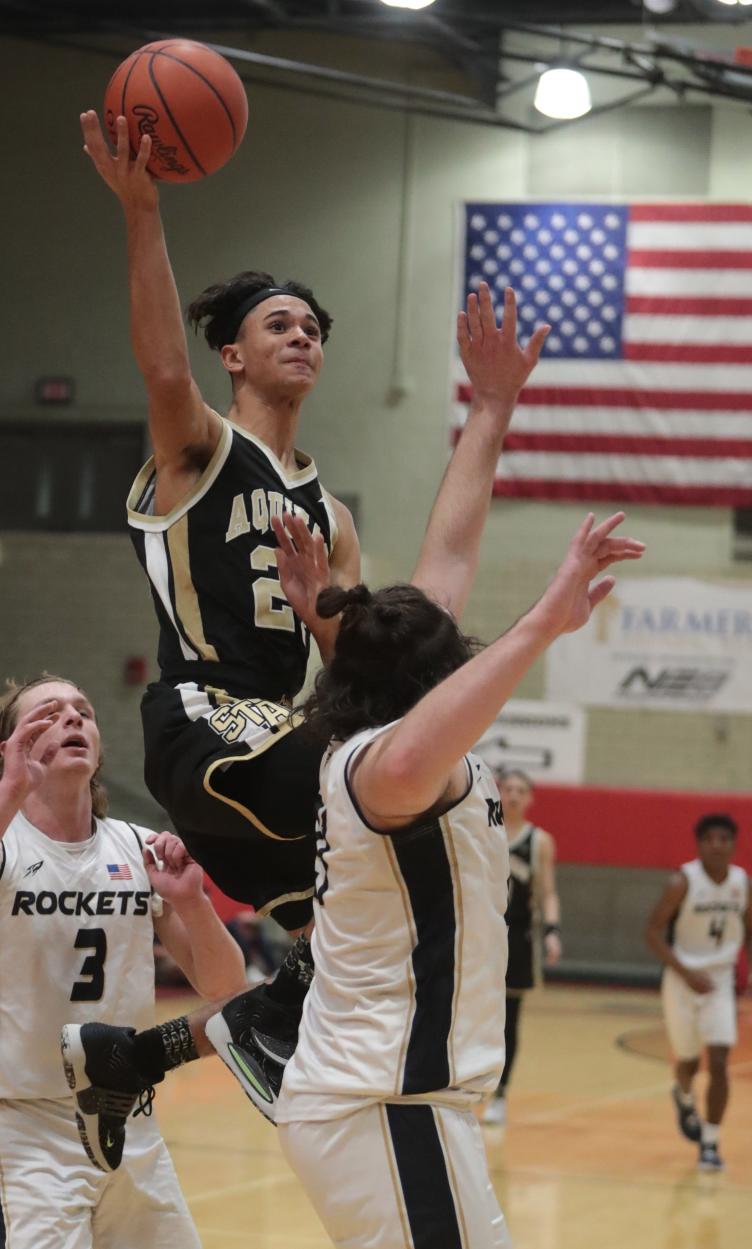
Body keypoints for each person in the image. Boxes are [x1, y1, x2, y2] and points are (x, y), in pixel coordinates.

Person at [75, 97, 553, 1123]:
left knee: (380, 913)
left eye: (313, 327)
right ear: (234, 356)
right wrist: (141, 210)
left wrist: (492, 409)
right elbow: (162, 361)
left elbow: (387, 634)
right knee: (403, 807)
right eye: (277, 324)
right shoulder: (200, 450)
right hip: (208, 726)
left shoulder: (329, 513)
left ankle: (148, 1052)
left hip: (292, 744)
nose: (301, 335)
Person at [270, 508, 643, 1249]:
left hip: (399, 1102)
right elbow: (410, 754)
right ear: (444, 676)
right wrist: (541, 622)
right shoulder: (385, 767)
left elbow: (445, 555)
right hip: (380, 1098)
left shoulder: (366, 744)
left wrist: (491, 409)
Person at [0, 675, 246, 1246]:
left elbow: (227, 986)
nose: (72, 718)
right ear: (11, 747)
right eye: (49, 713)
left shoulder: (138, 847)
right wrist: (10, 790)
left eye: (83, 712)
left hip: (130, 1117)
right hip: (29, 1123)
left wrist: (191, 900)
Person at [645, 813, 750, 1172]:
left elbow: (748, 931)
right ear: (700, 844)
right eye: (710, 839)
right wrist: (686, 972)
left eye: (724, 838)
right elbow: (652, 933)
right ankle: (683, 1095)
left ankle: (710, 1141)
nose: (717, 844)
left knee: (720, 1061)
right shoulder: (682, 881)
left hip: (719, 981)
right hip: (681, 978)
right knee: (688, 1061)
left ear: (734, 844)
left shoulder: (742, 883)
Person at [482, 769, 561, 1126]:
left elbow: (547, 891)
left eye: (520, 790)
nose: (513, 795)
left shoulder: (539, 841)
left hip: (517, 938)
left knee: (509, 1019)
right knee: (470, 1013)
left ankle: (500, 1094)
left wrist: (553, 931)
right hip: (481, 934)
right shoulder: (483, 829)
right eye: (508, 789)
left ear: (530, 799)